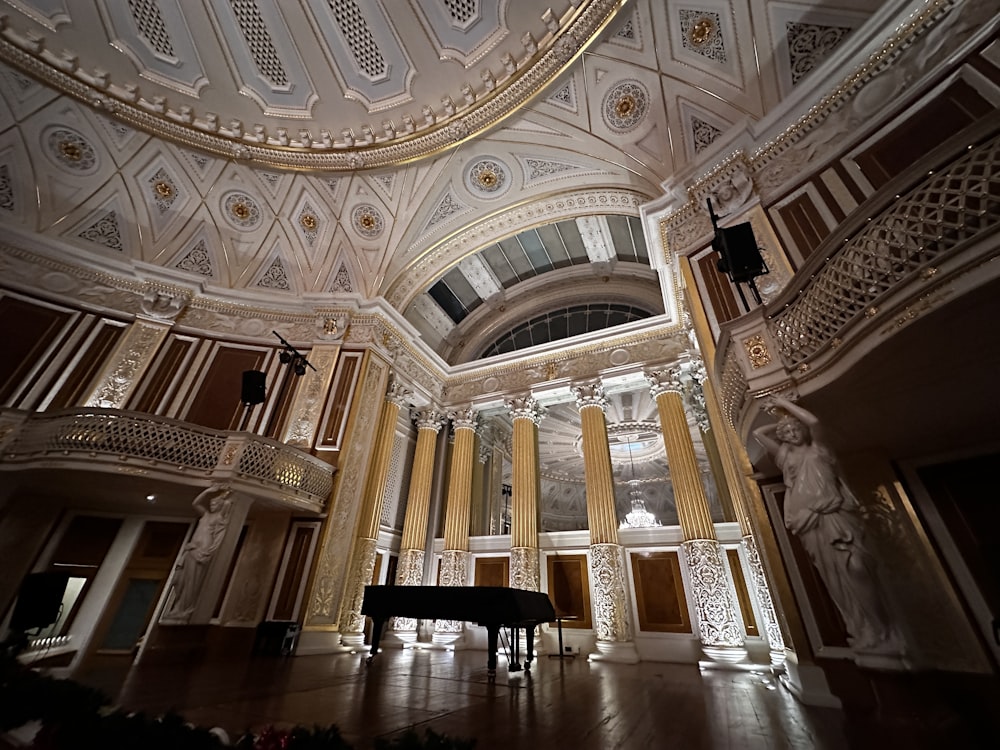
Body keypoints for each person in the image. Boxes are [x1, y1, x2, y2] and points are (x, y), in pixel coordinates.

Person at [753, 395, 897, 652]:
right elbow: (758, 433)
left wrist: (784, 408)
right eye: (787, 432)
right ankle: (860, 626)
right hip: (806, 518)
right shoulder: (786, 458)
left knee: (858, 567)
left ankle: (883, 629)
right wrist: (780, 424)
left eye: (796, 429)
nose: (793, 433)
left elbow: (815, 422)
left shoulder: (818, 449)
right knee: (834, 577)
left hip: (833, 513)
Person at [162, 484, 234, 623]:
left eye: (215, 503)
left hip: (202, 551)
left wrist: (228, 492)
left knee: (192, 582)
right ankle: (178, 608)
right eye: (211, 503)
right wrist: (208, 491)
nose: (212, 505)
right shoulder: (206, 515)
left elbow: (228, 503)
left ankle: (182, 610)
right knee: (181, 580)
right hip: (192, 549)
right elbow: (195, 503)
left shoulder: (219, 517)